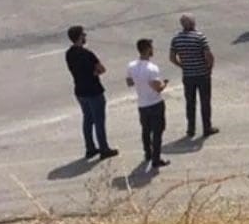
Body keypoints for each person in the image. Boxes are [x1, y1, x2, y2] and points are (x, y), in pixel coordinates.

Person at [64, 25, 117, 160]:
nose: (85, 37)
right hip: (93, 90)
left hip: (80, 90)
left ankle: (90, 148)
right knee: (99, 121)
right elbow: (102, 69)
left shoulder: (69, 54)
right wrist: (94, 72)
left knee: (87, 119)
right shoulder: (87, 54)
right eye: (84, 35)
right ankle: (104, 148)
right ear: (80, 37)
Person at [169, 13, 218, 138]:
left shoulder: (176, 39)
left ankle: (191, 129)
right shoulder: (199, 37)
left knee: (190, 103)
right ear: (192, 24)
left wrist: (182, 65)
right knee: (205, 102)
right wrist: (209, 68)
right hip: (202, 75)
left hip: (188, 75)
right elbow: (209, 56)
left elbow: (172, 58)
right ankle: (207, 127)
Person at [126, 38, 170, 168]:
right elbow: (158, 88)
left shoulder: (131, 66)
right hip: (155, 103)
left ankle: (148, 153)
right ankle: (156, 158)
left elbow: (129, 83)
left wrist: (140, 82)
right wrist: (165, 83)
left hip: (142, 103)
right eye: (151, 47)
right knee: (157, 131)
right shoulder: (152, 68)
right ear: (147, 49)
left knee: (145, 130)